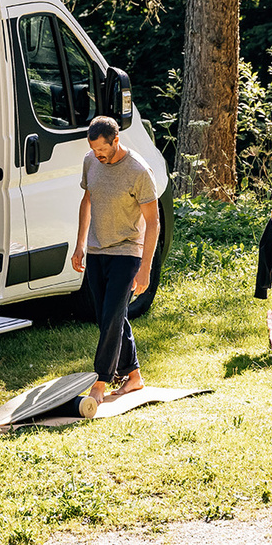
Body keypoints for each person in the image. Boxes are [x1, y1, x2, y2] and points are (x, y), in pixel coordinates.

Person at [71, 115, 159, 416]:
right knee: (108, 317)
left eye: (102, 151)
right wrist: (80, 244)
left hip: (127, 253)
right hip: (97, 250)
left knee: (111, 316)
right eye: (94, 151)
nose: (99, 156)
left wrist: (145, 267)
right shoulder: (90, 162)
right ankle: (134, 377)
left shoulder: (138, 171)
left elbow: (153, 222)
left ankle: (102, 380)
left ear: (116, 141)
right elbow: (88, 200)